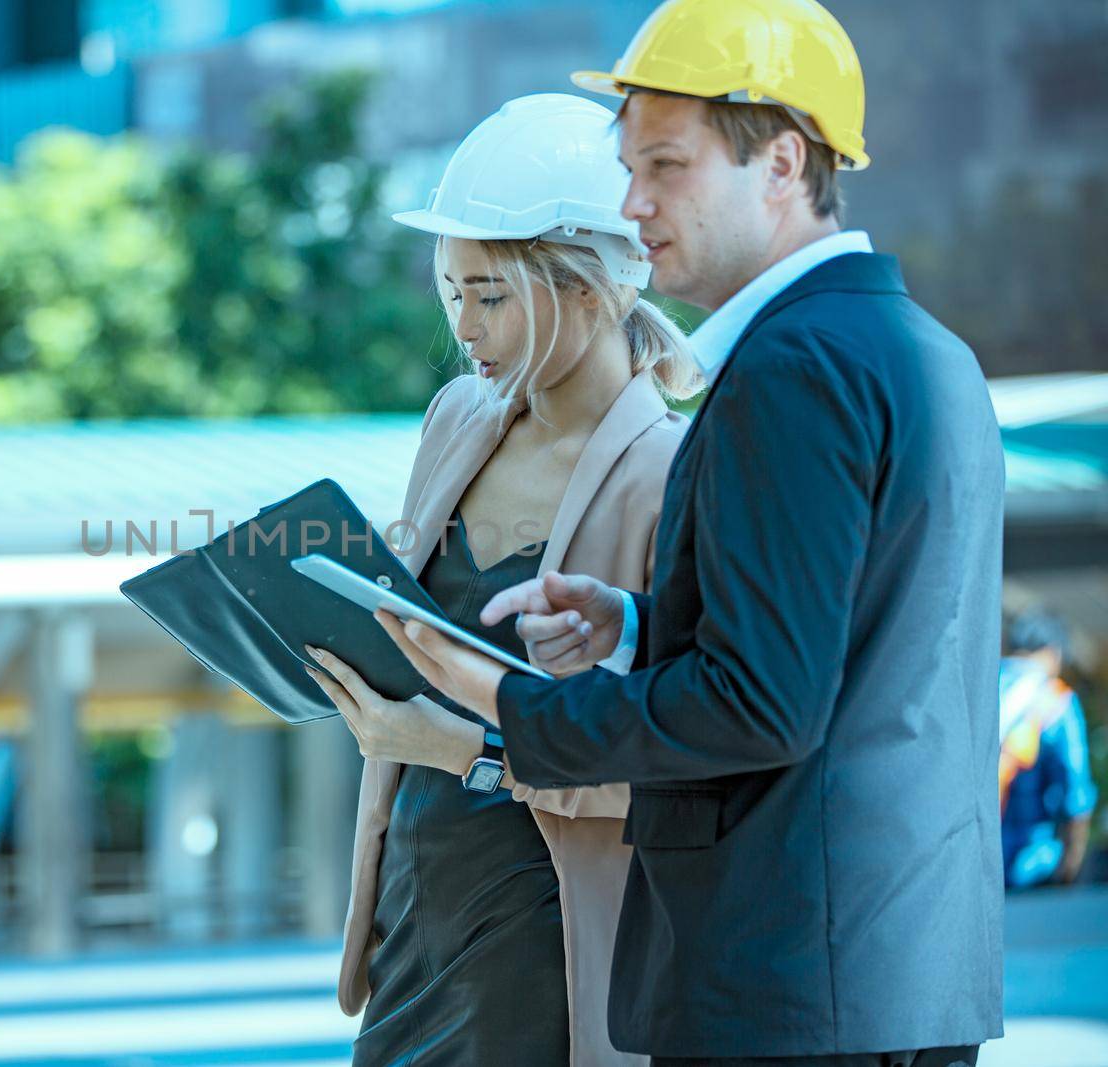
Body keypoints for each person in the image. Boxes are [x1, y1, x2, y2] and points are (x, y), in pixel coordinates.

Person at [364, 1, 1006, 1065]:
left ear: (783, 163)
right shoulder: (924, 349)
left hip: (784, 983)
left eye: (665, 166)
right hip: (897, 975)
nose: (632, 203)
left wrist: (502, 701)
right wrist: (635, 621)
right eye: (628, 167)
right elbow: (853, 653)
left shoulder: (789, 371)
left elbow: (760, 704)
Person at [301, 93, 701, 1065]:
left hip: (548, 935)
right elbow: (416, 636)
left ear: (588, 289)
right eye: (450, 293)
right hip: (414, 912)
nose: (463, 327)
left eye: (489, 295)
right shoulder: (455, 417)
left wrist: (467, 751)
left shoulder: (672, 468)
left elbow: (684, 758)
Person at [999, 609, 1097, 889]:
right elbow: (1076, 796)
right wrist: (1071, 866)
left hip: (971, 862)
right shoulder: (1055, 701)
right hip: (1033, 864)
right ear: (1053, 653)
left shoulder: (981, 690)